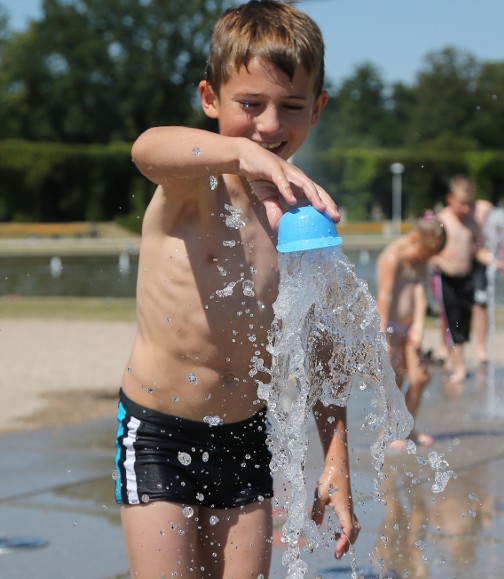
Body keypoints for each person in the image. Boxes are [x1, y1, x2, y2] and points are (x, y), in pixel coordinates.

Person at [116, 2, 358, 576]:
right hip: (158, 430)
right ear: (210, 99)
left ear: (317, 108)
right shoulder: (193, 183)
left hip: (246, 435)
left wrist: (336, 460)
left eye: (291, 107)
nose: (270, 126)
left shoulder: (301, 216)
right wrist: (240, 152)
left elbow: (322, 348)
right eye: (250, 105)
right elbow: (147, 147)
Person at [376, 218, 447, 448]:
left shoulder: (420, 261)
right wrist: (381, 333)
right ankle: (390, 431)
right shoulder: (393, 257)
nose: (425, 260)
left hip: (409, 329)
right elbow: (385, 295)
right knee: (394, 380)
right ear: (415, 239)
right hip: (390, 328)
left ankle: (407, 428)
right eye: (424, 253)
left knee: (419, 378)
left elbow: (420, 291)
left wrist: (418, 325)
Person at [430, 176, 494, 387]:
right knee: (451, 321)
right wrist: (438, 262)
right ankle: (459, 367)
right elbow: (429, 250)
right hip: (445, 278)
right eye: (462, 204)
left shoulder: (471, 222)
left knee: (463, 321)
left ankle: (458, 360)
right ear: (450, 199)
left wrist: (490, 259)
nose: (466, 209)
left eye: (470, 204)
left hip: (465, 277)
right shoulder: (442, 220)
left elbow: (477, 249)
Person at [470, 198, 495, 365]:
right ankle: (447, 351)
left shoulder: (484, 208)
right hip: (461, 265)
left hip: (479, 267)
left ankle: (481, 348)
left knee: (480, 306)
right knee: (452, 311)